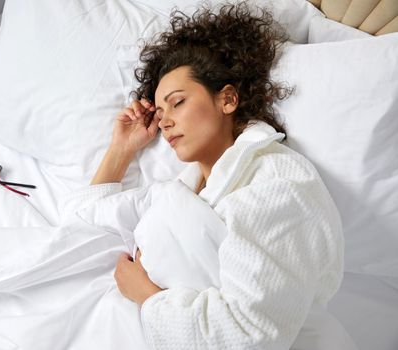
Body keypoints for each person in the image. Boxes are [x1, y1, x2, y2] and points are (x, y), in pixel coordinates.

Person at [60, 2, 345, 349]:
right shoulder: (183, 190)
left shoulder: (279, 183)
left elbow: (249, 334)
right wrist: (122, 149)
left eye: (177, 102)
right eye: (160, 111)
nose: (164, 120)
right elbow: (84, 225)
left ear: (227, 99)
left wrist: (146, 296)